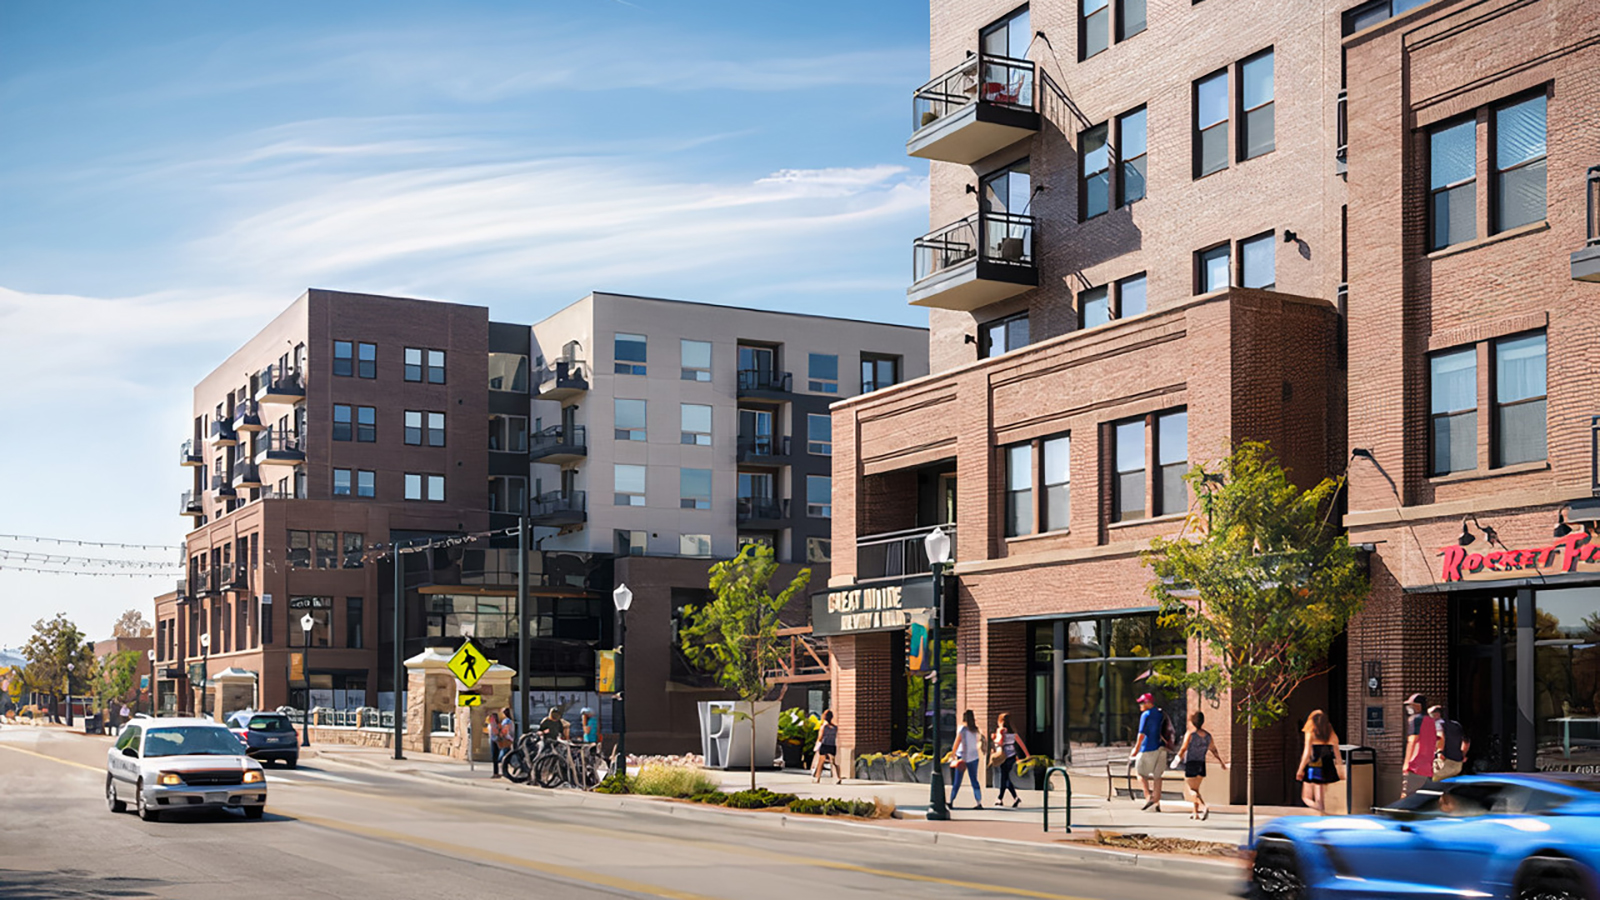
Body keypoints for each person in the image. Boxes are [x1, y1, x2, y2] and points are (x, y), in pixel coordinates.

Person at [1176, 711, 1227, 820]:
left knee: (1191, 789)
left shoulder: (1190, 734)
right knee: (1196, 789)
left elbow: (1184, 748)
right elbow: (1213, 749)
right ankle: (1195, 813)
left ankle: (1203, 806)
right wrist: (1221, 762)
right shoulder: (1208, 736)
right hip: (1201, 764)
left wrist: (1177, 758)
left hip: (1191, 763)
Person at [1296, 709, 1342, 814]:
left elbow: (1307, 753)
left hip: (1314, 764)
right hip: (1327, 764)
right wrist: (1339, 767)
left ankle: (1320, 809)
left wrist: (1300, 769)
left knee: (1306, 797)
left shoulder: (1310, 732)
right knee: (1321, 792)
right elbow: (1337, 752)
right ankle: (1322, 810)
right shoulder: (1330, 733)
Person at [1128, 693, 1166, 811]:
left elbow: (1141, 734)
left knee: (1140, 773)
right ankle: (1157, 802)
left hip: (1148, 747)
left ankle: (1148, 796)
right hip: (1162, 748)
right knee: (1157, 776)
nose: (1140, 705)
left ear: (1149, 703)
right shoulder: (1160, 713)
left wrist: (1136, 748)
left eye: (1142, 702)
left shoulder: (1146, 715)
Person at [992, 711, 1030, 808]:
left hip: (1003, 756)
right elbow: (1021, 744)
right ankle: (1011, 798)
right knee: (1006, 777)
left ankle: (1001, 798)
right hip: (1012, 756)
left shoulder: (1000, 730)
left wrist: (995, 738)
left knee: (1004, 778)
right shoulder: (1014, 734)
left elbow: (999, 742)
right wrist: (1027, 755)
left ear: (1000, 721)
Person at [1402, 693, 1437, 797]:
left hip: (1415, 765)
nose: (1409, 707)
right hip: (1428, 766)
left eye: (1411, 704)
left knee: (1406, 794)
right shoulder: (1431, 720)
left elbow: (1412, 741)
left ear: (1418, 705)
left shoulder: (1415, 719)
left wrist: (1407, 763)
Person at [949, 709, 984, 809]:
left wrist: (953, 754)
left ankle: (951, 801)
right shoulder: (975, 729)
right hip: (974, 757)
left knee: (957, 781)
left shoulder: (963, 729)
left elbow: (960, 743)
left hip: (962, 756)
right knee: (974, 780)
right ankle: (979, 802)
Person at [1430, 704, 1469, 779]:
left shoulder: (1437, 724)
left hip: (1443, 762)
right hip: (1457, 764)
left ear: (1437, 714)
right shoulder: (1456, 725)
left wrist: (1439, 752)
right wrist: (1462, 754)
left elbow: (1440, 738)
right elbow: (1466, 741)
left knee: (1435, 785)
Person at [812, 710, 841, 784]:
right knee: (833, 762)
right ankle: (838, 777)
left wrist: (817, 745)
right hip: (832, 745)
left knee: (820, 763)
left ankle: (817, 778)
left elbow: (820, 737)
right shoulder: (835, 727)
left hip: (824, 745)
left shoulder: (824, 727)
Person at [485, 710, 505, 778]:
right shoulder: (492, 724)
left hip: (495, 740)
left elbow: (495, 732)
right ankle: (496, 772)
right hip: (495, 741)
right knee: (496, 757)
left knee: (496, 757)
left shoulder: (493, 724)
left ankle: (497, 772)